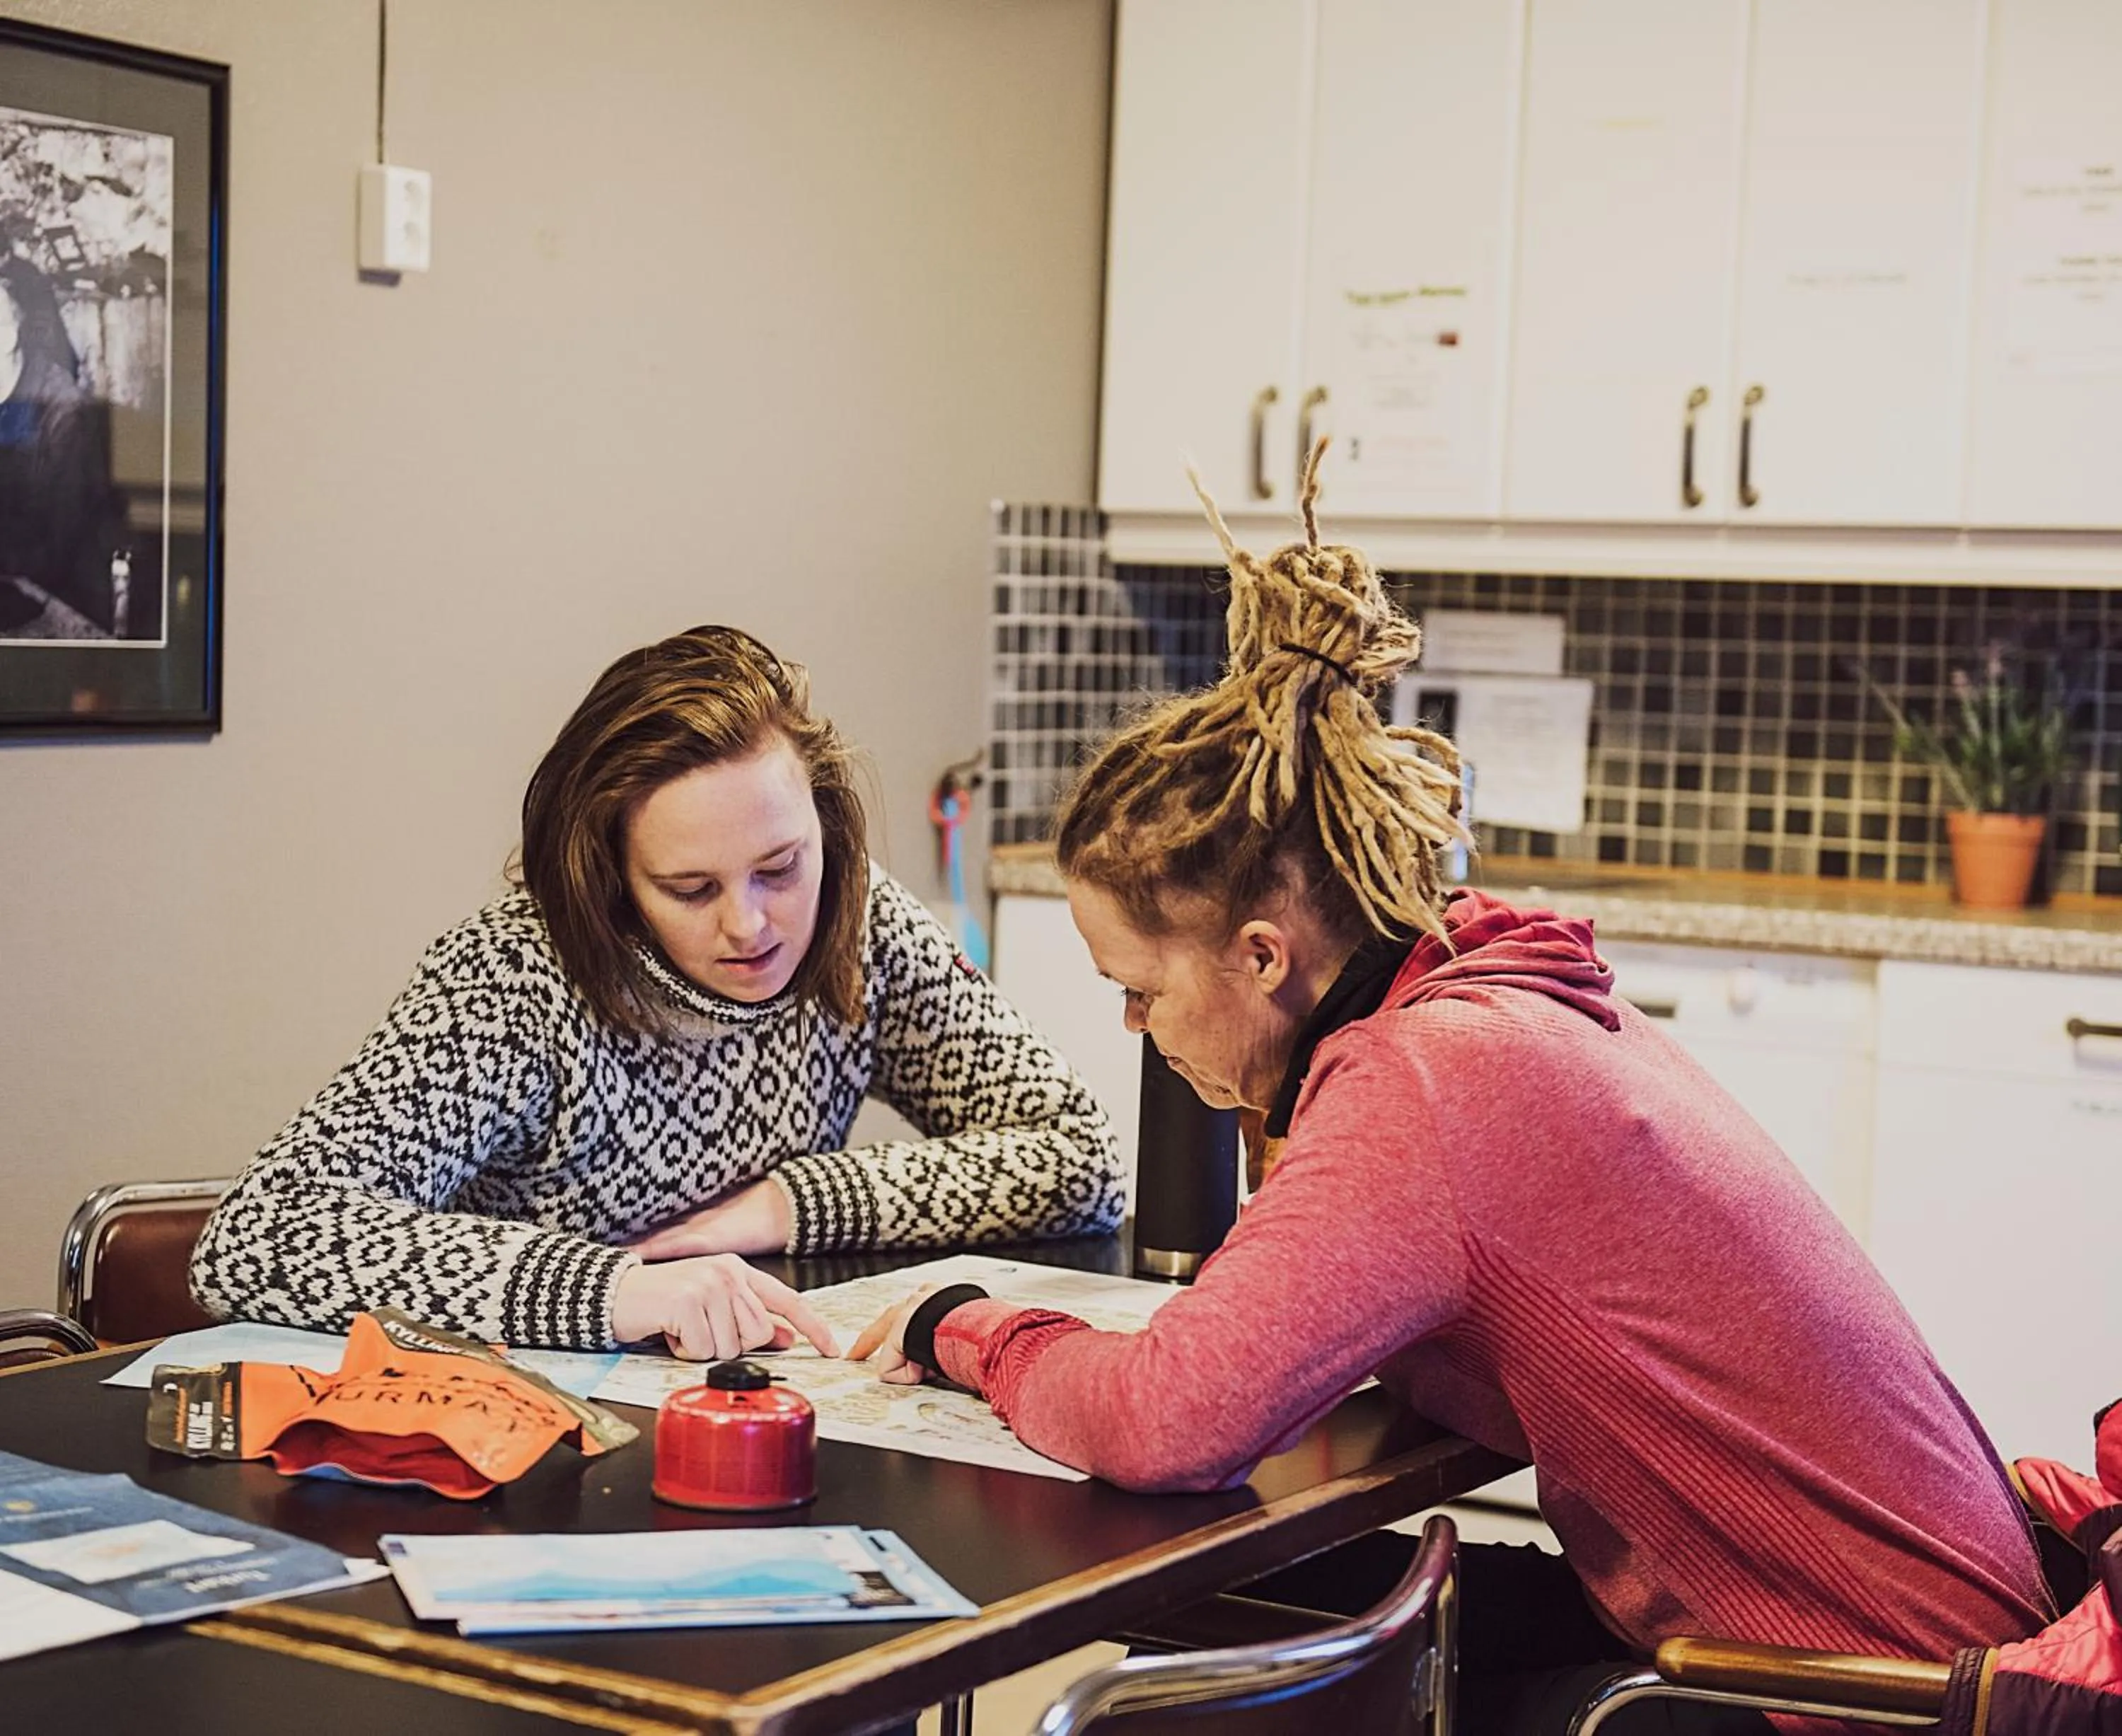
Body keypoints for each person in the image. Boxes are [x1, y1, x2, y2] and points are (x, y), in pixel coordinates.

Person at [851, 450, 2049, 1734]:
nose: (1135, 1026)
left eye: (1140, 987)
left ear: (1264, 955)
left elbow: (1168, 1419)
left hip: (1850, 1699)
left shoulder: (1426, 1078)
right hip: (1879, 1630)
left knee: (1268, 1668)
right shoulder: (1482, 988)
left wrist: (966, 1326)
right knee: (1259, 1603)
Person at [191, 625, 1123, 1359]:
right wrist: (607, 1288)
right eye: (691, 889)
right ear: (614, 882)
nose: (752, 924)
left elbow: (1082, 1158)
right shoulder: (517, 976)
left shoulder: (861, 916)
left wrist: (788, 1203)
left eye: (780, 866)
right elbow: (257, 1232)